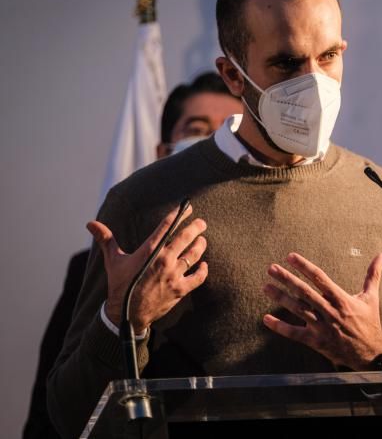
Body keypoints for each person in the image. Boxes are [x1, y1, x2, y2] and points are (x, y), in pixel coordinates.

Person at [47, 0, 382, 438]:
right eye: (286, 63)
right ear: (234, 76)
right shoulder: (144, 204)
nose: (313, 81)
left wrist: (379, 358)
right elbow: (69, 418)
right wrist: (122, 324)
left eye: (329, 56)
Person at [23, 72, 240, 439]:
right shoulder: (93, 266)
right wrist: (123, 314)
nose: (208, 146)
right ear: (162, 153)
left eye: (225, 134)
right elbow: (54, 413)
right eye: (197, 128)